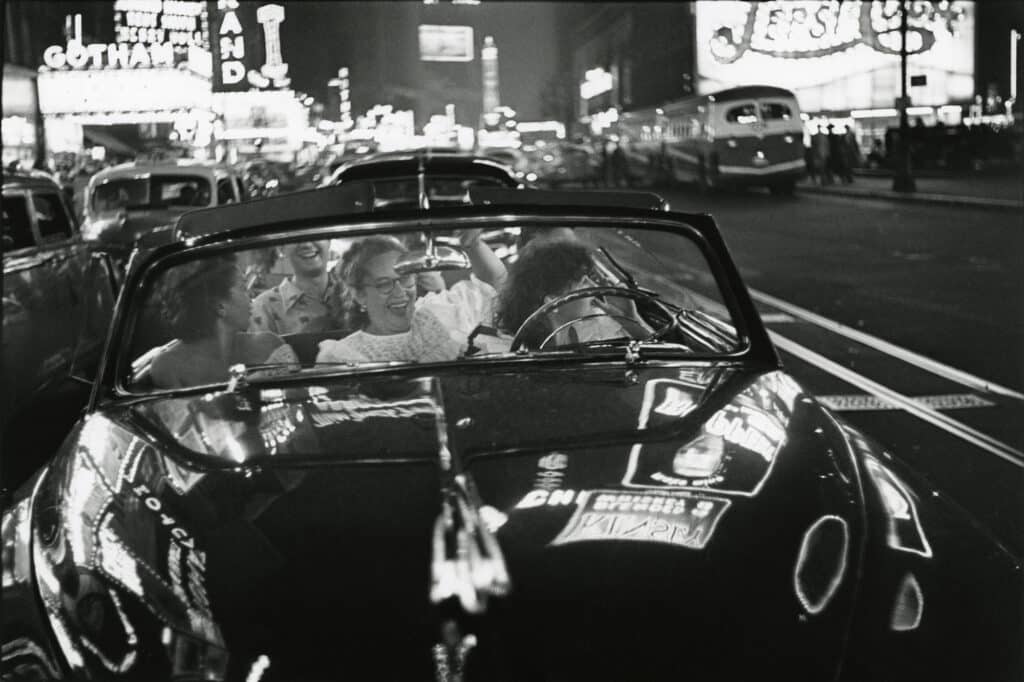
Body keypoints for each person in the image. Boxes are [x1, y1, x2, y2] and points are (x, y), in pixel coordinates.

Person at [316, 229, 506, 364]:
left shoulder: (437, 313)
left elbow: (493, 283)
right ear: (360, 296)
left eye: (405, 278)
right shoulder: (341, 356)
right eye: (384, 284)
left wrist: (473, 243)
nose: (400, 292)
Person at [151, 254, 297, 388]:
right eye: (243, 288)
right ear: (220, 306)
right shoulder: (168, 366)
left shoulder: (270, 347)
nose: (251, 297)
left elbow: (300, 399)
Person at [497, 239, 651, 349]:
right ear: (553, 302)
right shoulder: (516, 350)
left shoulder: (593, 326)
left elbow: (657, 349)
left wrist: (630, 318)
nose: (593, 288)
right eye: (583, 283)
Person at [249, 240, 343, 335]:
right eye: (297, 237)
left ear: (329, 241)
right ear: (282, 249)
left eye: (314, 234)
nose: (307, 244)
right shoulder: (264, 308)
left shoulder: (353, 294)